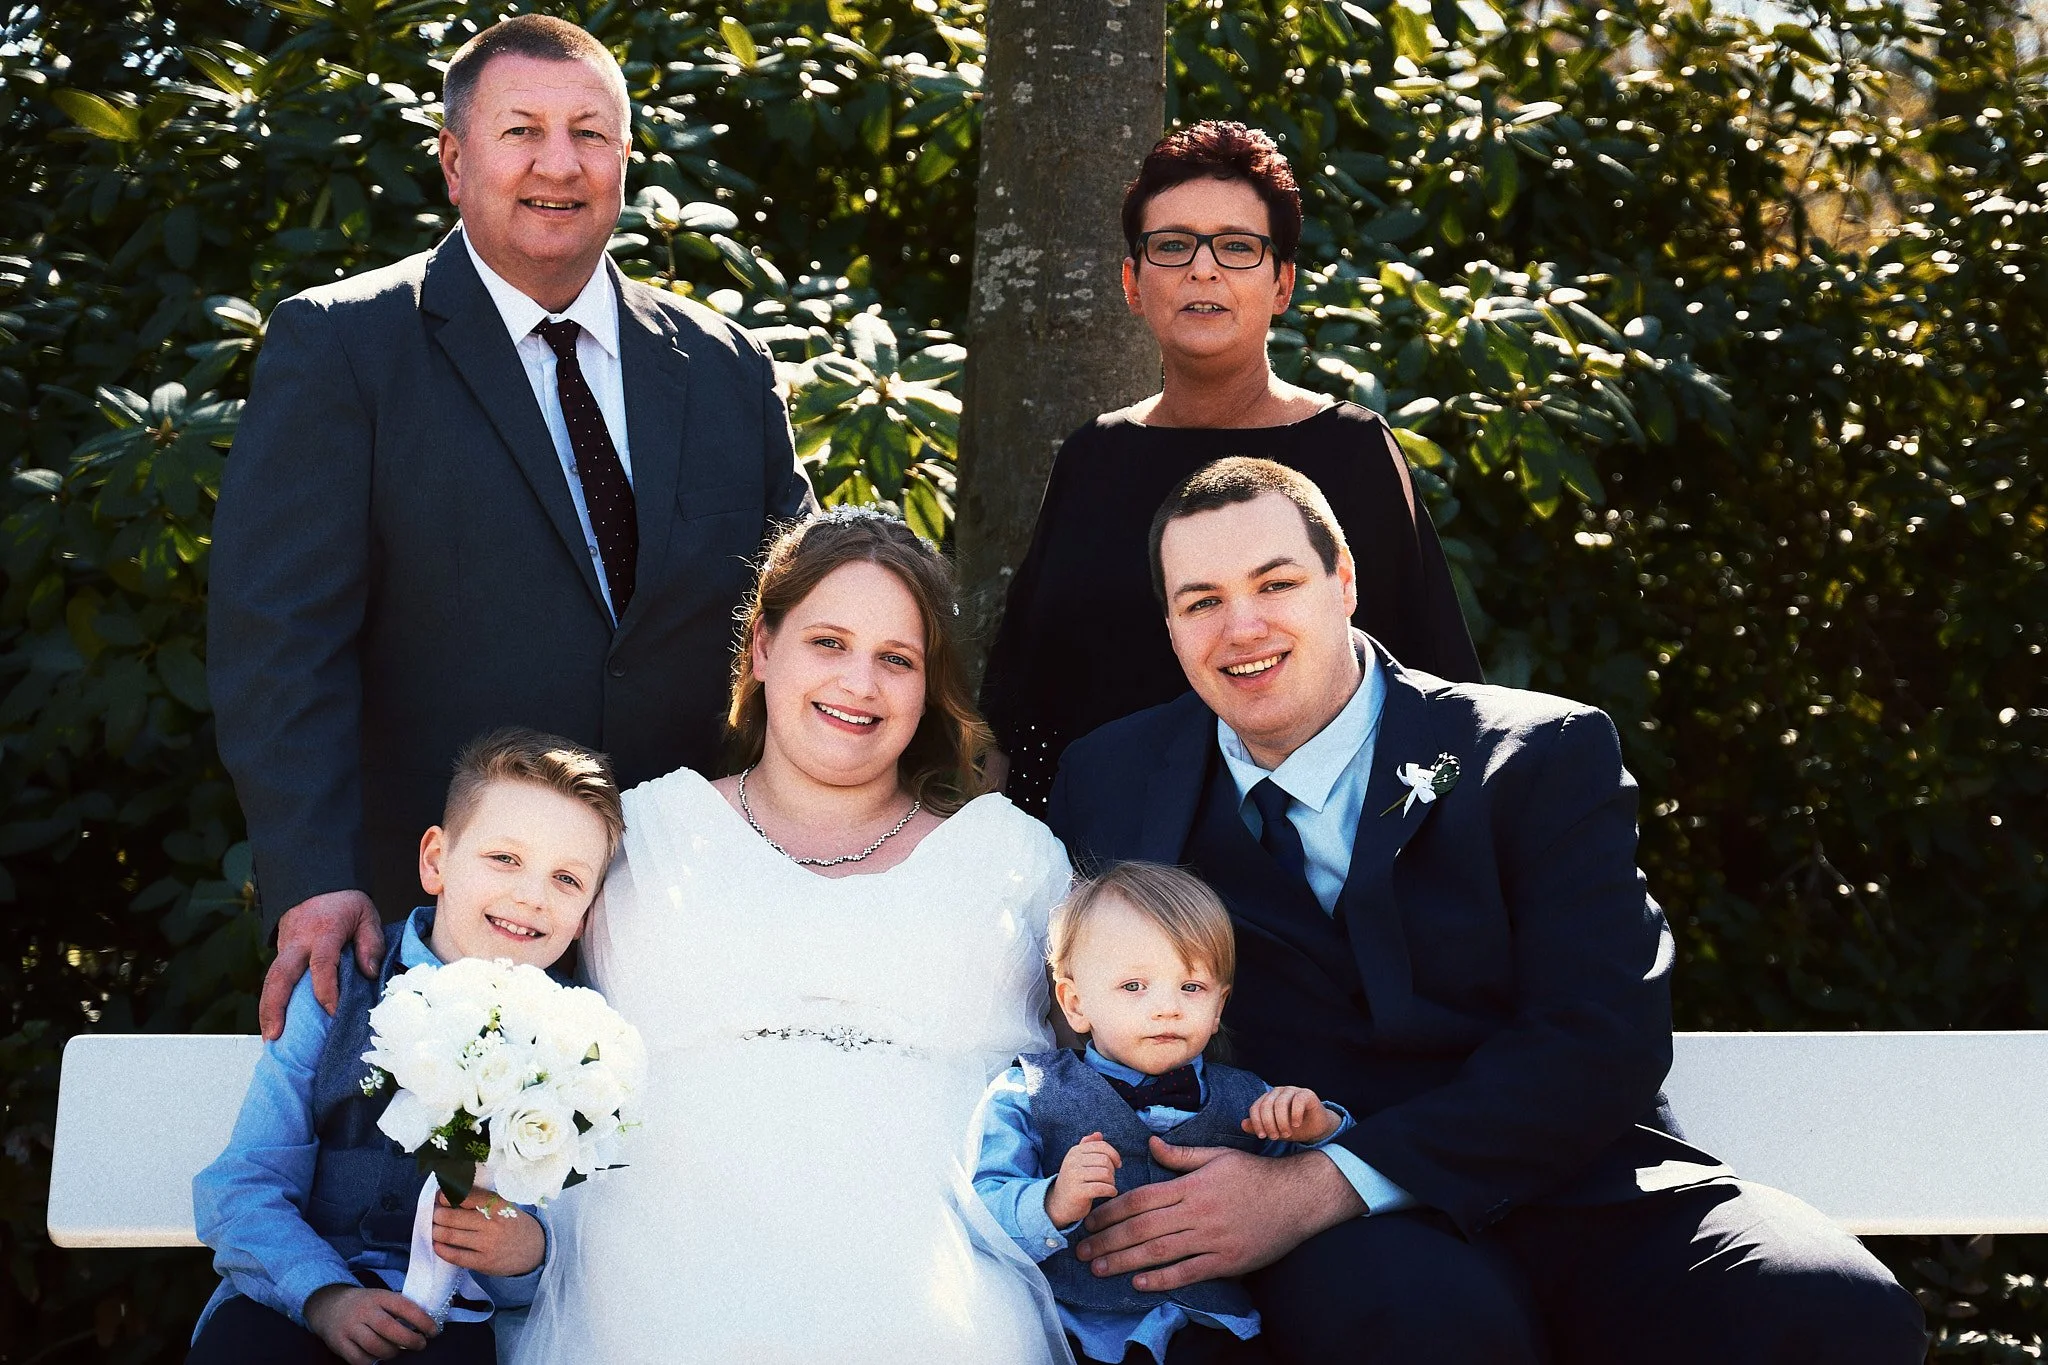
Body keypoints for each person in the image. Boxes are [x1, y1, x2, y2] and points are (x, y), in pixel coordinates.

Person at [1045, 458, 1926, 1364]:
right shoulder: (1111, 781)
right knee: (1423, 1326)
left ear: (1345, 581)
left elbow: (1601, 1034)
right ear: (1170, 625)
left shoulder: (1540, 753)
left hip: (1577, 1187)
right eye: (1201, 601)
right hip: (1340, 1252)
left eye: (1276, 583)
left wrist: (1324, 1183)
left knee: (1834, 1309)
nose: (1243, 626)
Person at [207, 13, 815, 1045]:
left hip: (695, 921)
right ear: (453, 159)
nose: (558, 164)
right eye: (520, 130)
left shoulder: (725, 367)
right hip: (438, 924)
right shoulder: (343, 349)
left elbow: (803, 628)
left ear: (625, 159)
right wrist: (312, 879)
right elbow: (279, 644)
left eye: (589, 133)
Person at [512, 509, 1074, 1364]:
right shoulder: (645, 831)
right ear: (763, 650)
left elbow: (1108, 1046)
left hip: (938, 1275)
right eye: (828, 643)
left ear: (929, 687)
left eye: (897, 659)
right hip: (659, 1269)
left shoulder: (1012, 854)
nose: (860, 682)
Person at [980, 121, 1479, 815]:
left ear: (1283, 284)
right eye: (1173, 245)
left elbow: (1439, 695)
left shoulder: (1353, 451)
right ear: (1133, 280)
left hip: (1317, 871)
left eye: (1238, 247)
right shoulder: (1093, 458)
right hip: (1109, 867)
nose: (1203, 269)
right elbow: (1024, 703)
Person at [189, 728, 626, 1365]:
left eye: (566, 879)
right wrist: (326, 1296)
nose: (531, 895)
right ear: (435, 861)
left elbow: (568, 1232)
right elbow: (245, 1184)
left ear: (586, 914)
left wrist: (526, 1253)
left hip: (449, 1323)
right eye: (504, 858)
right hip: (295, 1300)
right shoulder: (339, 989)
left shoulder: (579, 1042)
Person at [976, 862, 1350, 1365]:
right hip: (1082, 1331)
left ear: (1219, 1007)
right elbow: (983, 1207)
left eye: (1191, 987)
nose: (1167, 1008)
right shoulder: (1028, 1090)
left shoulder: (1250, 1097)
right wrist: (1051, 1201)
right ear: (1075, 1002)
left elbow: (1314, 1186)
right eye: (1134, 986)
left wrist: (1319, 1126)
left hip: (1217, 1331)